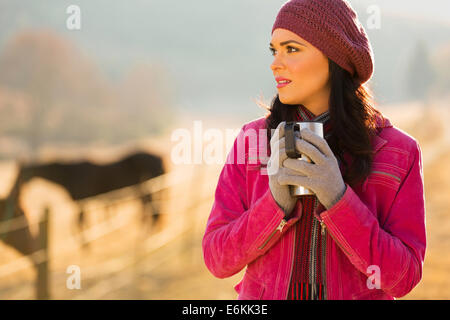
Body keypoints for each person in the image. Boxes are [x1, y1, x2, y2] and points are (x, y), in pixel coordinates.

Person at [202, 0, 426, 300]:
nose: (275, 63)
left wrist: (339, 199)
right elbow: (217, 259)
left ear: (335, 57)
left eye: (291, 49)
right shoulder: (252, 141)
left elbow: (403, 279)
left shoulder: (398, 152)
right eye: (274, 50)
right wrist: (274, 207)